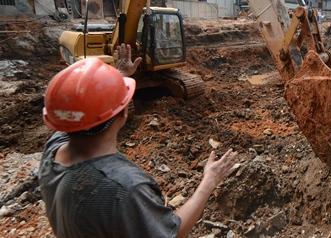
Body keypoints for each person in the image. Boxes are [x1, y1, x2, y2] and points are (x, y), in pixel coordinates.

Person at [39, 44, 238, 238]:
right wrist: (209, 181)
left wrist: (119, 75)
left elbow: (78, 113)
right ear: (124, 113)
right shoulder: (123, 188)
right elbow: (172, 232)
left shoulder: (53, 150)